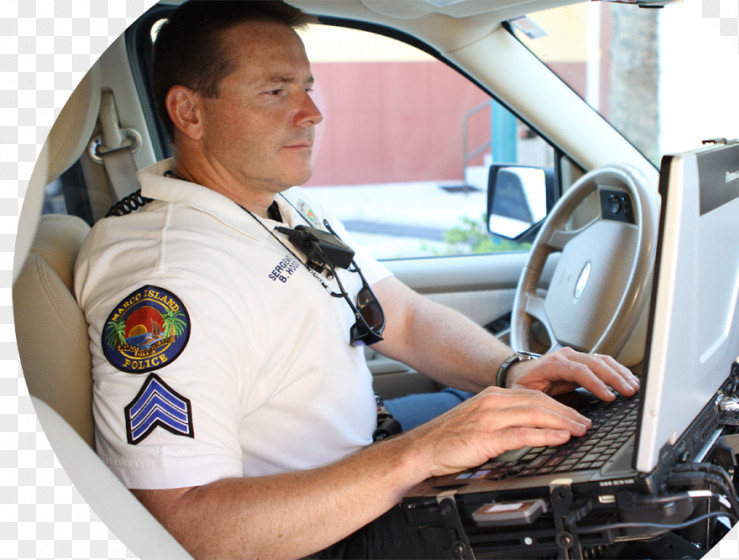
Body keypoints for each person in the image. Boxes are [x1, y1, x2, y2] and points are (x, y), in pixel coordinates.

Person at [73, 1, 640, 558]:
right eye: (276, 91)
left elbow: (404, 318)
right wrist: (421, 455)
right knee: (612, 522)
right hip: (325, 531)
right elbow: (188, 526)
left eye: (307, 87)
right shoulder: (167, 280)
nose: (311, 112)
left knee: (573, 435)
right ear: (189, 112)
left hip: (368, 459)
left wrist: (513, 370)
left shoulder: (275, 208)